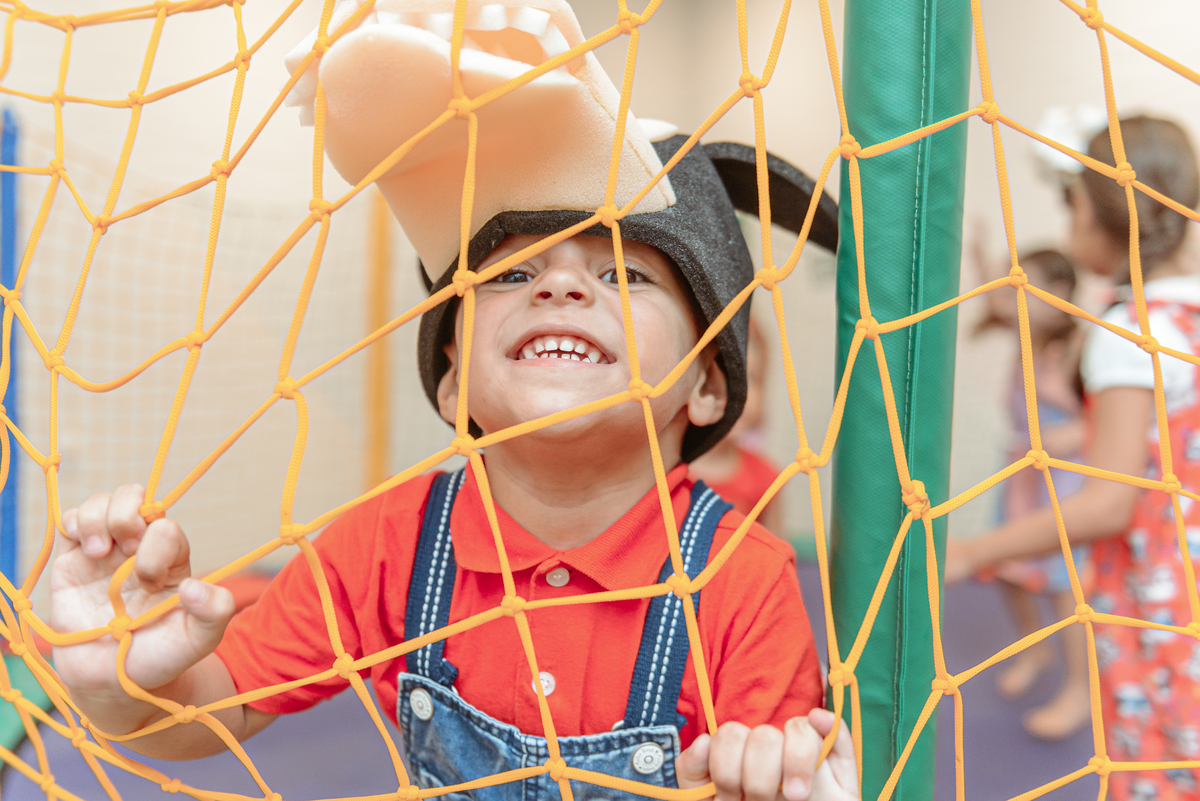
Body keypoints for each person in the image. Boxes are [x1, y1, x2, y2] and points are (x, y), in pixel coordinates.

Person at [47, 3, 860, 799]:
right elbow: (203, 711)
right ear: (449, 377)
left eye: (628, 273)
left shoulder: (741, 580)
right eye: (512, 272)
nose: (563, 284)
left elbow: (777, 761)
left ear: (709, 383)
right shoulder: (393, 542)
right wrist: (120, 684)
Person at [946, 116, 1200, 800]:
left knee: (1155, 771)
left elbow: (1108, 500)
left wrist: (973, 550)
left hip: (1161, 604)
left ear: (1095, 211)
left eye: (1071, 202)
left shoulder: (1127, 332)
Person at [972, 248, 1092, 739]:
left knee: (1066, 585)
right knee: (1008, 569)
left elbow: (1103, 418)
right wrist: (982, 262)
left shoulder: (1077, 346)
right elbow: (996, 306)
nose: (1011, 291)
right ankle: (1033, 646)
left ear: (1059, 295)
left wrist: (1074, 433)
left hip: (1063, 479)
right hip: (1024, 473)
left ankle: (1081, 688)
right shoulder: (1027, 335)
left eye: (1022, 283)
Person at [689, 316, 784, 536]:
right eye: (730, 378)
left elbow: (780, 556)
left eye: (753, 379)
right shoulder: (663, 468)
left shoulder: (765, 477)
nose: (743, 395)